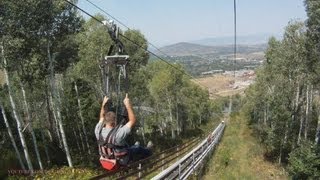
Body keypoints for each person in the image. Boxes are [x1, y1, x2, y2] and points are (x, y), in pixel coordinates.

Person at [95, 94, 152, 165]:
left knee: (130, 145)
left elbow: (101, 117)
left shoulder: (98, 130)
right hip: (120, 160)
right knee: (138, 148)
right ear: (114, 122)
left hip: (105, 158)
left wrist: (103, 105)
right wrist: (128, 105)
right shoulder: (117, 134)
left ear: (105, 121)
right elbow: (132, 121)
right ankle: (148, 151)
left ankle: (135, 146)